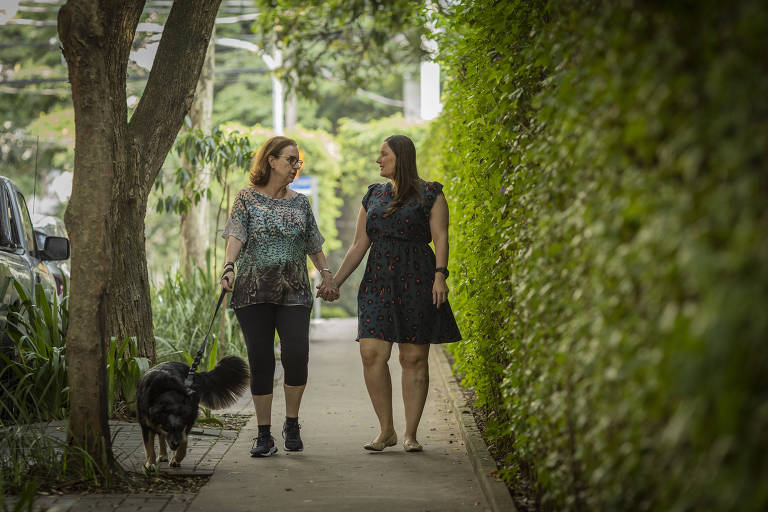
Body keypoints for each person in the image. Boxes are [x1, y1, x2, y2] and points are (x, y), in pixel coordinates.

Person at [319, 134, 461, 452]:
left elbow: (441, 238)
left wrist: (441, 277)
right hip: (377, 280)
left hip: (418, 279)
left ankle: (410, 434)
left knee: (412, 357)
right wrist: (335, 282)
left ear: (401, 156)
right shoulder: (373, 195)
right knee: (371, 353)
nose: (378, 160)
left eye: (383, 154)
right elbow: (359, 244)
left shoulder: (430, 193)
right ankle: (386, 430)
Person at [220, 136, 339, 457]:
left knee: (296, 356)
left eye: (298, 162)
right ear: (271, 161)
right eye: (291, 160)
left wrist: (327, 274)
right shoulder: (246, 198)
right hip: (253, 291)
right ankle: (263, 434)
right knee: (260, 362)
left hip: (295, 291)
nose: (295, 167)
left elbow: (313, 242)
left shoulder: (301, 203)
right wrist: (228, 266)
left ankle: (292, 423)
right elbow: (235, 234)